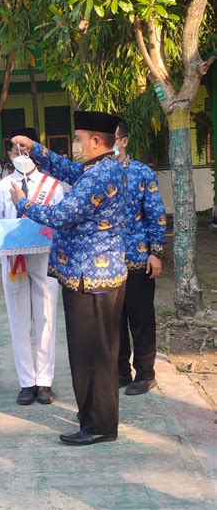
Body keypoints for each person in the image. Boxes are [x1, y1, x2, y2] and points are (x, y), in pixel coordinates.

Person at [11, 110, 127, 446]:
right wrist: (35, 148)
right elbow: (69, 170)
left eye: (79, 139)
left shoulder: (98, 176)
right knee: (97, 351)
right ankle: (94, 415)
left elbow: (61, 215)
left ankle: (99, 424)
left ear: (95, 141)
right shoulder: (104, 167)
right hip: (99, 276)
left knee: (92, 354)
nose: (76, 145)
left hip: (89, 279)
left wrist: (24, 203)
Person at [0, 140, 64, 405]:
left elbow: (62, 222)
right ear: (8, 154)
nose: (20, 154)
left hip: (46, 259)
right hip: (14, 261)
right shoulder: (0, 188)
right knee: (18, 320)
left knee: (46, 317)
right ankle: (26, 382)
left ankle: (44, 381)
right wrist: (2, 242)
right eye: (14, 150)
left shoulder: (53, 187)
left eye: (24, 149)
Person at [114, 119, 167, 395]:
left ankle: (145, 374)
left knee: (141, 320)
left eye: (113, 139)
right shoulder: (101, 174)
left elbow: (156, 214)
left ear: (124, 141)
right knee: (115, 322)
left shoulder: (142, 173)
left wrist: (156, 252)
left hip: (138, 259)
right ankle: (121, 372)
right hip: (109, 264)